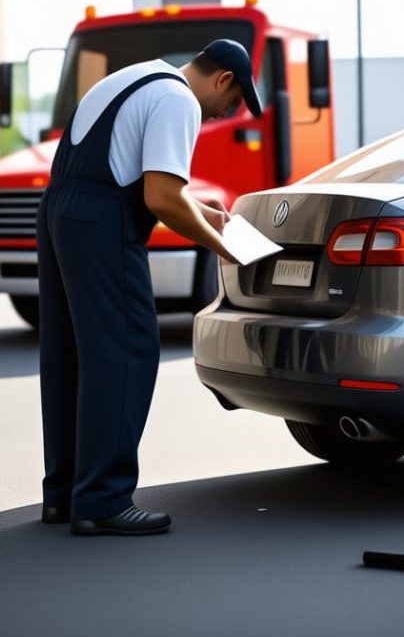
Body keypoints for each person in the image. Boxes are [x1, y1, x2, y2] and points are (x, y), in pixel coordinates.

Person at [35, 39, 260, 536]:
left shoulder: (136, 77)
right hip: (101, 223)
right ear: (223, 79)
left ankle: (66, 495)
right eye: (234, 102)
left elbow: (135, 177)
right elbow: (160, 197)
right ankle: (103, 501)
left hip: (60, 210)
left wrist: (205, 213)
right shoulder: (180, 101)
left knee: (70, 354)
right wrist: (225, 248)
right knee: (126, 349)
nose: (229, 112)